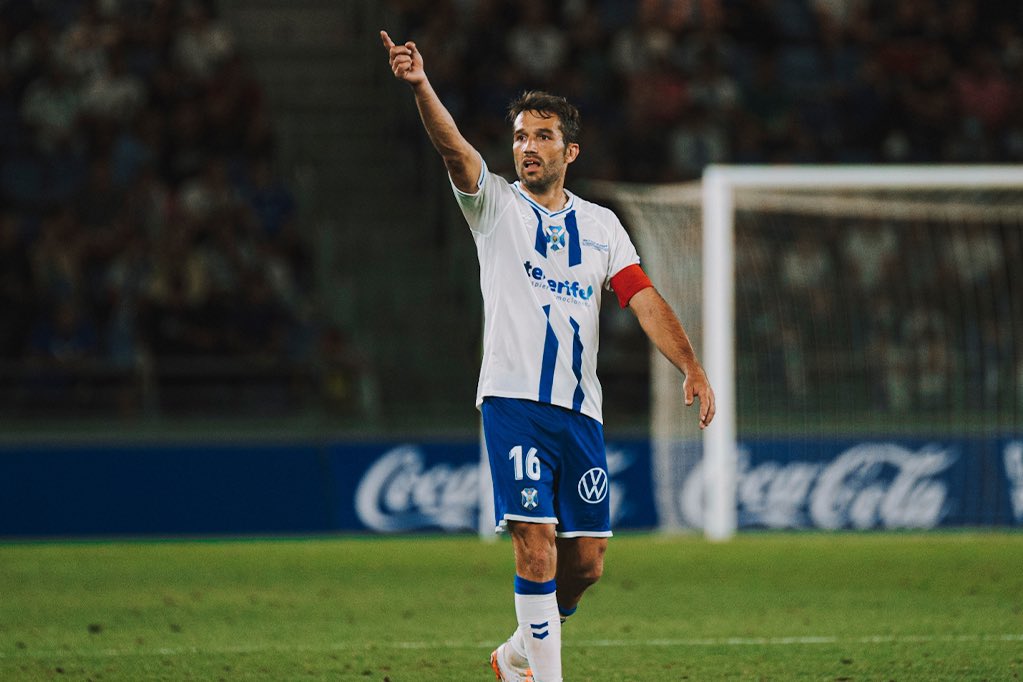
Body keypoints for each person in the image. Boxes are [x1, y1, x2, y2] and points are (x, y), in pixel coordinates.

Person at [381, 30, 715, 682]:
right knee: (534, 542)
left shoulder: (600, 227)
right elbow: (454, 152)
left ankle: (514, 655)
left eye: (539, 136)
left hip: (578, 414)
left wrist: (692, 365)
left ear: (569, 149)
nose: (526, 147)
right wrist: (421, 85)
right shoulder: (496, 208)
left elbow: (640, 297)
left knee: (585, 562)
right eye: (518, 137)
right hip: (513, 401)